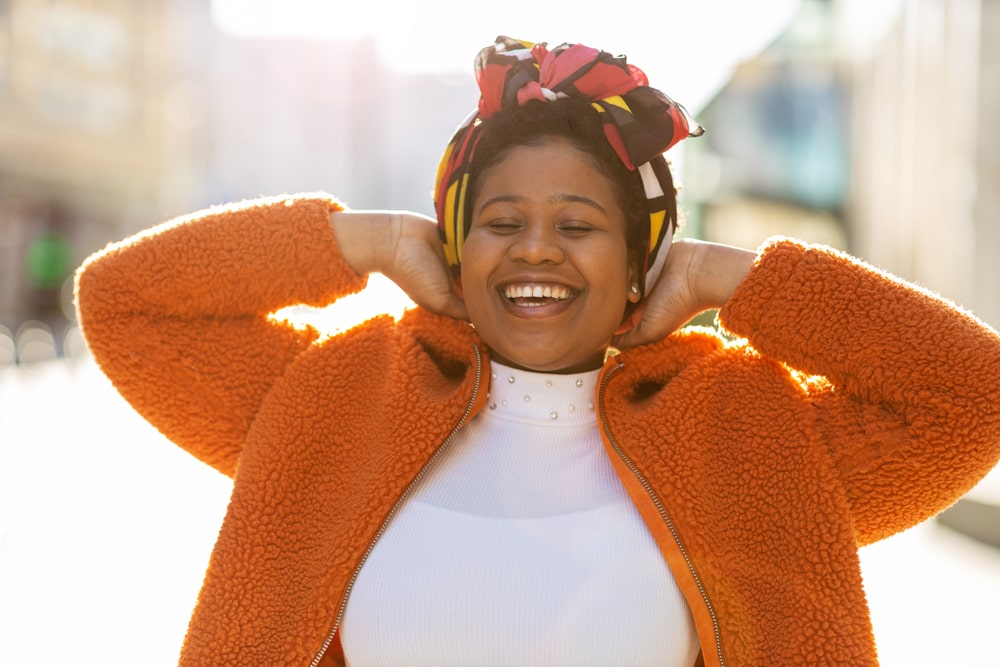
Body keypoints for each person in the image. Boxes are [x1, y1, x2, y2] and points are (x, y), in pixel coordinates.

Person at [74, 36, 1000, 667]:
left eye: (580, 223)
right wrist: (364, 242)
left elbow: (972, 394)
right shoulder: (335, 395)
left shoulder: (754, 429)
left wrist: (735, 280)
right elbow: (127, 303)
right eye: (500, 221)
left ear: (643, 252)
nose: (536, 248)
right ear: (455, 245)